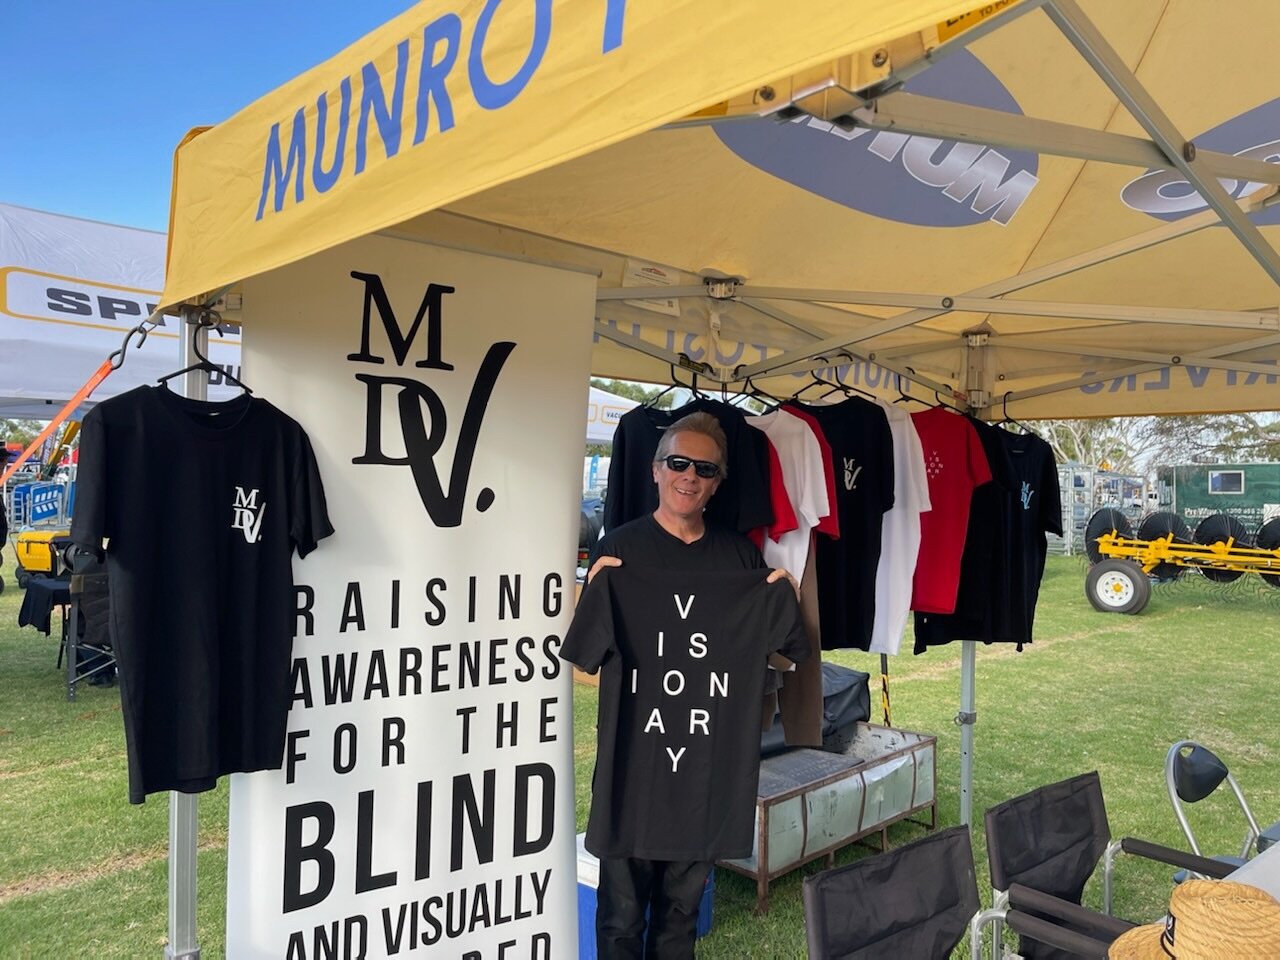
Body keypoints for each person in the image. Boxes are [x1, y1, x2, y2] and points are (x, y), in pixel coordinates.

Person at [579, 411, 799, 959]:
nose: (689, 476)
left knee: (680, 923)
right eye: (678, 463)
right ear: (656, 470)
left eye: (704, 468)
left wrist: (784, 597)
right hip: (633, 774)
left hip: (706, 776)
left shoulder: (742, 561)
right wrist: (591, 593)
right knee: (619, 921)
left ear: (717, 482)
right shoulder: (620, 553)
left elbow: (786, 659)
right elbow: (584, 664)